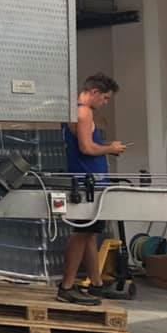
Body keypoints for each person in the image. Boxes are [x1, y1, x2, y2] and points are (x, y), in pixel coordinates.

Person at [58, 73, 127, 305]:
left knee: (89, 233)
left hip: (88, 181)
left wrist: (106, 147)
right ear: (95, 92)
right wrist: (110, 148)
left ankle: (96, 283)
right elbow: (86, 148)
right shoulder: (84, 113)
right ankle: (66, 287)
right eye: (105, 98)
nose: (105, 103)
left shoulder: (74, 112)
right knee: (81, 234)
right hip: (88, 182)